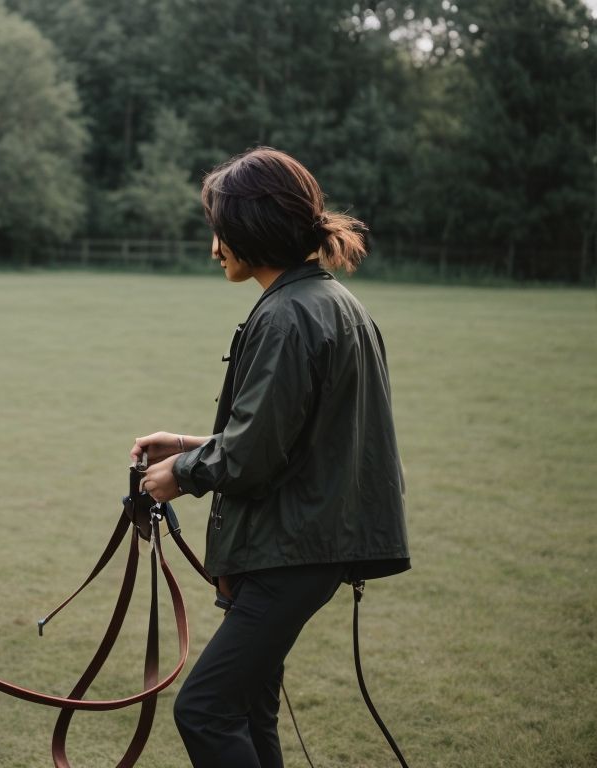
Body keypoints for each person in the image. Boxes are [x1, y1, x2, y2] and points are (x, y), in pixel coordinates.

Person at [130, 147, 410, 768]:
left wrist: (178, 474)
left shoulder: (288, 315)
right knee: (248, 707)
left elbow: (255, 453)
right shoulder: (330, 302)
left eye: (219, 230)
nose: (213, 248)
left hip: (297, 548)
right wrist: (189, 445)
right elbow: (294, 437)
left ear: (250, 230)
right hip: (308, 540)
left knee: (203, 709)